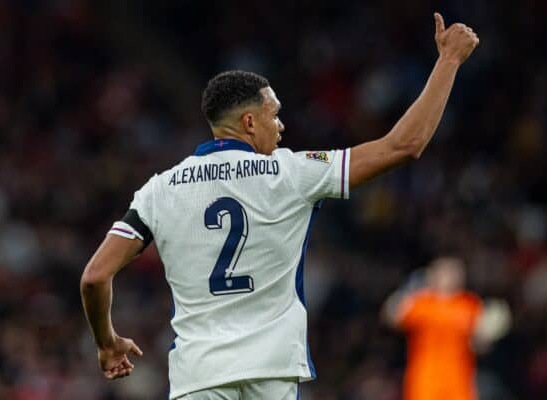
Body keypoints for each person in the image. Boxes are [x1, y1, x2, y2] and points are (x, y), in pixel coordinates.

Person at [80, 12, 479, 400]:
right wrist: (448, 62)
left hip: (197, 375)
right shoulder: (290, 173)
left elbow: (95, 277)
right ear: (250, 123)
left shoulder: (159, 190)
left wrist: (107, 342)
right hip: (270, 373)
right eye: (275, 115)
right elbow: (403, 145)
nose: (282, 126)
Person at [383, 257, 511, 400]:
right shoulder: (422, 302)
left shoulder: (470, 304)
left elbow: (480, 344)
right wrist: (409, 289)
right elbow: (391, 318)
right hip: (425, 377)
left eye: (456, 272)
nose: (452, 276)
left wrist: (489, 333)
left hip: (458, 378)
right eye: (446, 272)